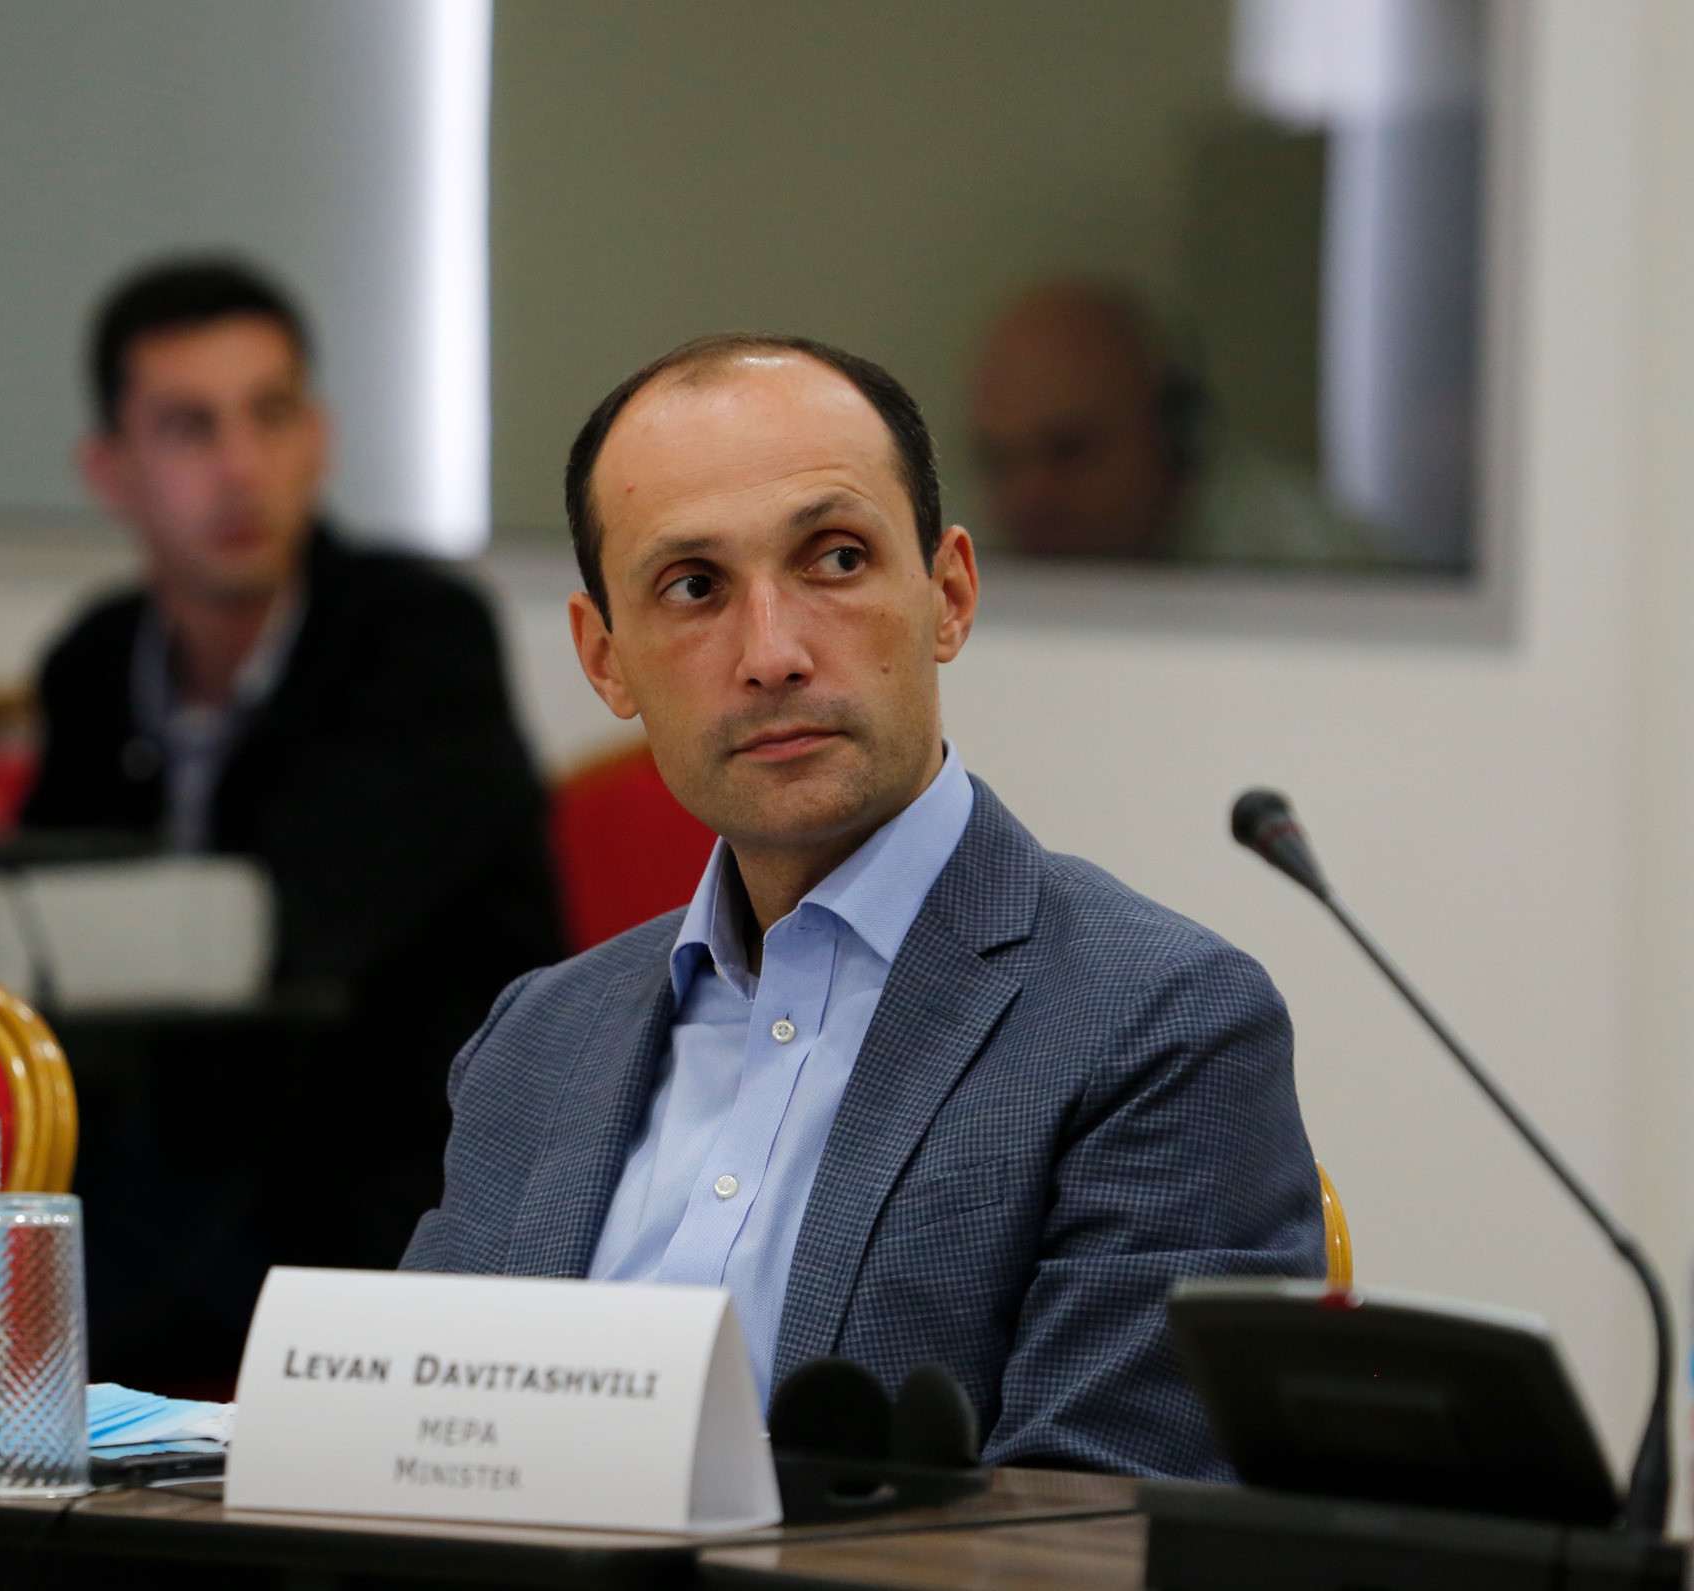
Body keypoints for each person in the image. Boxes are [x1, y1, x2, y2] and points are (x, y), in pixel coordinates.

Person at [403, 332, 1323, 1479]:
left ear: (948, 595)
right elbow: (411, 1461)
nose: (771, 653)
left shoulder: (1157, 1025)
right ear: (606, 660)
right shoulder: (533, 1042)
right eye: (692, 588)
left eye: (834, 560)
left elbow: (1095, 1523)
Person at [24, 258, 565, 1380]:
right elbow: (45, 936)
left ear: (318, 436)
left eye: (270, 414)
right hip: (164, 1179)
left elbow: (298, 917)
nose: (240, 467)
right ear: (110, 470)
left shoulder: (420, 636)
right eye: (189, 427)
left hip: (402, 1177)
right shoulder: (93, 660)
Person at [969, 276, 1375, 566]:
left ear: (1173, 432)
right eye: (999, 462)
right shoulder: (962, 562)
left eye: (1069, 451)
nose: (1029, 500)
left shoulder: (1314, 564)